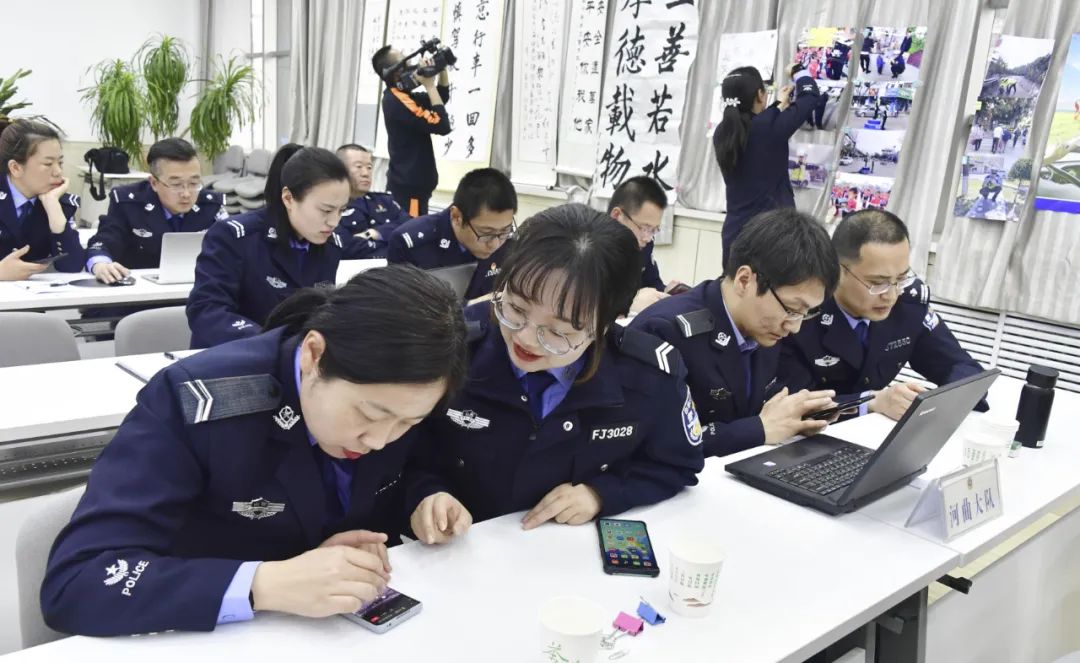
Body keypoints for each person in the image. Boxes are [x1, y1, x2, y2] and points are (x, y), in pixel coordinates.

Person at [41, 266, 471, 637]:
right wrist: (262, 583)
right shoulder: (196, 400)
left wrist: (424, 496)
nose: (379, 440)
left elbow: (402, 470)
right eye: (370, 414)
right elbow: (77, 583)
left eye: (408, 423)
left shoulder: (398, 399)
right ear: (314, 354)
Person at [403, 203, 705, 540]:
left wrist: (602, 493)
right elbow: (401, 452)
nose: (526, 337)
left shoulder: (648, 376)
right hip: (458, 549)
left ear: (606, 325)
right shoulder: (452, 348)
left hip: (567, 553)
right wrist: (425, 494)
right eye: (516, 308)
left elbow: (678, 464)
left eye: (559, 331)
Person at [629, 209, 840, 458]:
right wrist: (758, 429)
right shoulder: (664, 331)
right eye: (792, 309)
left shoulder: (764, 328)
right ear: (744, 280)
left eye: (807, 313)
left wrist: (795, 415)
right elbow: (651, 444)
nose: (795, 326)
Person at [777, 210, 987, 422]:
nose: (891, 295)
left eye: (902, 278)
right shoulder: (801, 312)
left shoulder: (908, 302)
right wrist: (869, 403)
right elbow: (789, 407)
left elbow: (965, 370)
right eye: (878, 283)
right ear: (837, 271)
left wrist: (932, 403)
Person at [186, 144, 349, 349]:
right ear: (288, 198)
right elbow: (206, 311)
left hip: (293, 358)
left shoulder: (330, 245)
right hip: (232, 355)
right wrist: (271, 342)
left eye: (342, 210)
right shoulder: (235, 237)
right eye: (326, 210)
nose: (334, 222)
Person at [713, 64, 821, 263]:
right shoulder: (768, 128)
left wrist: (778, 104)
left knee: (736, 282)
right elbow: (810, 96)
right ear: (760, 95)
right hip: (772, 236)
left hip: (735, 234)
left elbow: (758, 126)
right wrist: (798, 71)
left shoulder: (722, 132)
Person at [85, 138, 226, 283]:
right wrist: (101, 265)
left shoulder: (211, 205)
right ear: (154, 183)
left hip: (197, 288)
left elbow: (232, 246)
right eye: (176, 184)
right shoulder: (128, 203)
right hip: (140, 291)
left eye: (194, 183)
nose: (186, 193)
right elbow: (104, 242)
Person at [386, 167, 516, 301]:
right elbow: (399, 307)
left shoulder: (509, 242)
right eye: (486, 233)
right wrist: (473, 306)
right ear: (456, 217)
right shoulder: (410, 244)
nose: (495, 244)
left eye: (504, 231)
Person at [372, 45, 451, 218]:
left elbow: (441, 98)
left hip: (415, 188)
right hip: (409, 192)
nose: (412, 65)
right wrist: (429, 85)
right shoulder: (396, 101)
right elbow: (442, 125)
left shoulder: (404, 96)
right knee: (410, 233)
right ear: (396, 72)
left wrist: (441, 67)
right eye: (406, 61)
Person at [0, 118, 82, 280]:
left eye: (60, 162)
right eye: (48, 164)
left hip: (30, 295)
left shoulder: (57, 201)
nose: (58, 172)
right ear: (15, 168)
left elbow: (72, 265)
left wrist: (53, 209)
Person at [606, 175, 680, 315]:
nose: (647, 238)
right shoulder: (589, 247)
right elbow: (583, 301)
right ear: (617, 216)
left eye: (654, 230)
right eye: (644, 228)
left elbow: (652, 283)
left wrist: (665, 292)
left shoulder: (644, 247)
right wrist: (629, 302)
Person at [333, 144, 411, 260]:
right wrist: (391, 243)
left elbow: (410, 227)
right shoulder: (330, 207)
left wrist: (374, 233)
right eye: (359, 167)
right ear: (340, 170)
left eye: (369, 167)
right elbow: (346, 248)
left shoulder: (385, 201)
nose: (365, 173)